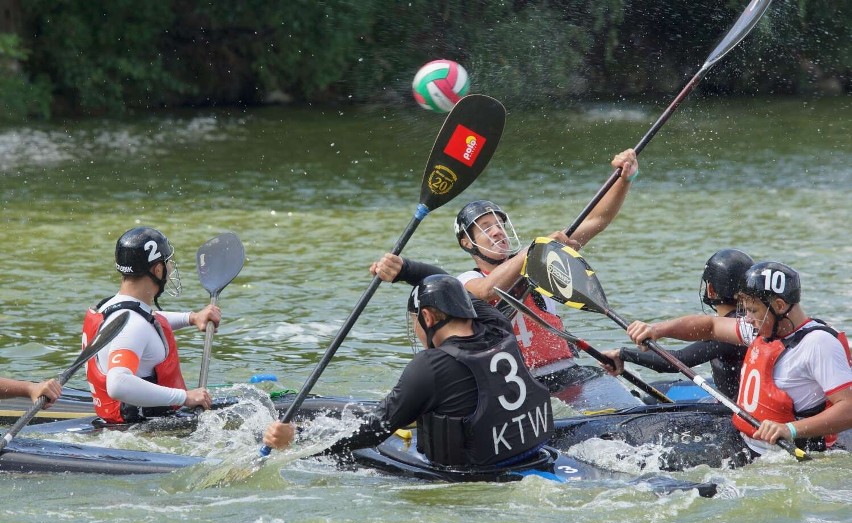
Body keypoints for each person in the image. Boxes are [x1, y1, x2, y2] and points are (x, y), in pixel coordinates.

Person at [264, 271, 553, 468]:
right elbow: (450, 284)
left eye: (416, 321)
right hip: (534, 454)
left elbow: (372, 432)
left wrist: (298, 441)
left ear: (427, 316)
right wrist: (405, 269)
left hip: (474, 476)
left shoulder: (430, 366)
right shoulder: (499, 327)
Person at [452, 149, 639, 392]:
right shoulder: (467, 280)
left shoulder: (542, 259)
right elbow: (488, 291)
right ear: (467, 243)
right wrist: (536, 247)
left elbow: (597, 220)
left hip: (566, 372)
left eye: (499, 224)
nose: (498, 231)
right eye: (486, 227)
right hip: (516, 385)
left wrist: (624, 179)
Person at [623, 261, 852, 456]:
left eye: (753, 310)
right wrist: (657, 329)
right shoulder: (764, 328)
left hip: (784, 455)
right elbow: (710, 326)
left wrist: (790, 430)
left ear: (780, 306)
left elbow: (848, 408)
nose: (748, 319)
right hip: (746, 443)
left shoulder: (818, 344)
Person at [83, 227, 218, 424]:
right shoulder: (133, 326)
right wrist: (185, 397)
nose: (170, 268)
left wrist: (192, 317)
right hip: (140, 431)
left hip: (118, 421)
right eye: (167, 262)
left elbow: (147, 319)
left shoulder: (109, 307)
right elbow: (118, 384)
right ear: (157, 269)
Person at [601, 248, 754, 400]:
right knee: (657, 388)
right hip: (735, 398)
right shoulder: (750, 321)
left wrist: (622, 353)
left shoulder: (730, 331)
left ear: (711, 289)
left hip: (735, 411)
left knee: (647, 399)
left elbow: (677, 362)